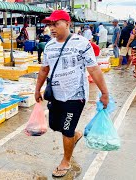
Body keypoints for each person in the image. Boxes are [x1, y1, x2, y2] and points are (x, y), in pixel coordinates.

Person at [35, 10, 109, 178]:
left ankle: (66, 161)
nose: (52, 28)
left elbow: (94, 69)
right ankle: (75, 135)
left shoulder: (82, 43)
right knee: (55, 125)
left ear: (67, 24)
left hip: (75, 95)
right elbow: (44, 69)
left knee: (67, 129)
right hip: (55, 95)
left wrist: (104, 93)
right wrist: (37, 89)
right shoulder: (49, 46)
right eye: (50, 25)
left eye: (56, 24)